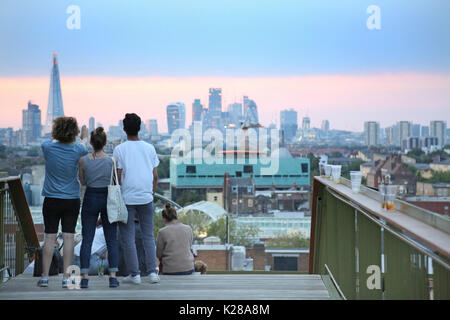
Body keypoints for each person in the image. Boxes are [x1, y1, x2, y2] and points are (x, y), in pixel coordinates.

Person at [38, 117, 88, 288]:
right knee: (68, 238)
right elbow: (84, 146)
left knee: (49, 238)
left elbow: (50, 142)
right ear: (73, 132)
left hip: (51, 199)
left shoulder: (47, 147)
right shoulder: (78, 149)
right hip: (71, 200)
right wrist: (83, 135)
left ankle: (45, 277)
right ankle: (66, 278)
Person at [113, 113, 160, 284]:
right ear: (140, 128)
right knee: (148, 236)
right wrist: (152, 193)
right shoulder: (150, 148)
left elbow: (117, 177)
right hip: (146, 197)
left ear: (124, 129)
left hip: (127, 198)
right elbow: (155, 176)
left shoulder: (120, 149)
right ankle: (153, 272)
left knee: (128, 238)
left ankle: (135, 274)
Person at [78, 127, 120, 288]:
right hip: (107, 197)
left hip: (90, 197)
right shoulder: (112, 161)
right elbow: (115, 181)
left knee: (87, 238)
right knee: (111, 239)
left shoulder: (83, 160)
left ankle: (85, 276)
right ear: (105, 143)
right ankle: (113, 276)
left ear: (91, 143)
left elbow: (82, 182)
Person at [156, 203, 195, 275]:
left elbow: (158, 254)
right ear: (176, 216)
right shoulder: (188, 228)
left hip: (170, 269)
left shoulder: (162, 232)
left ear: (164, 218)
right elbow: (189, 246)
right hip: (189, 268)